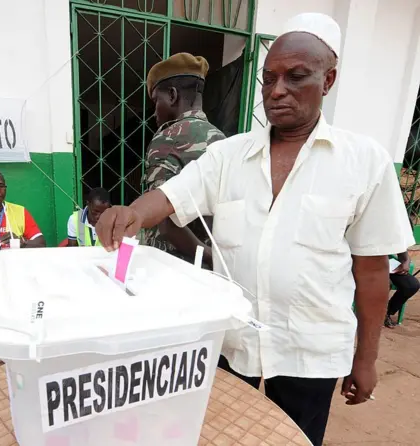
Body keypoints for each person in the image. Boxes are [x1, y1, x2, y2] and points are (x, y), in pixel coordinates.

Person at [95, 13, 414, 445]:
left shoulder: (364, 161)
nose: (277, 91)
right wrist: (132, 211)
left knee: (293, 440)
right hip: (231, 344)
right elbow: (172, 195)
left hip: (309, 353)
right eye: (268, 78)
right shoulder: (228, 155)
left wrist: (367, 359)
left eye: (296, 77)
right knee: (222, 436)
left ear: (328, 79)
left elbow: (373, 271)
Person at [143, 53, 225, 268]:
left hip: (171, 266)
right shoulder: (223, 141)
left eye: (155, 101)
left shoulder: (167, 139)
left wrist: (210, 258)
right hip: (205, 268)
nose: (154, 113)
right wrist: (214, 259)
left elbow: (164, 222)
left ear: (172, 95)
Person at [386, 251, 420, 327]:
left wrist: (406, 261)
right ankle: (371, 313)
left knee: (411, 285)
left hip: (387, 265)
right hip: (364, 263)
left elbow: (403, 253)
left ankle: (386, 312)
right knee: (384, 284)